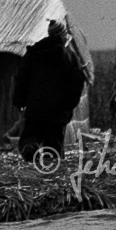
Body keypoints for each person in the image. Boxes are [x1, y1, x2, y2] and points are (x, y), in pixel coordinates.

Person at [13, 20, 87, 165]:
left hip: (35, 106)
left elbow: (22, 77)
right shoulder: (69, 57)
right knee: (53, 144)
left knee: (31, 135)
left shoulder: (34, 53)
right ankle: (51, 171)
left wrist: (19, 101)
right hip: (58, 110)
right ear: (63, 36)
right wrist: (69, 104)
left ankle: (32, 146)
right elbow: (77, 81)